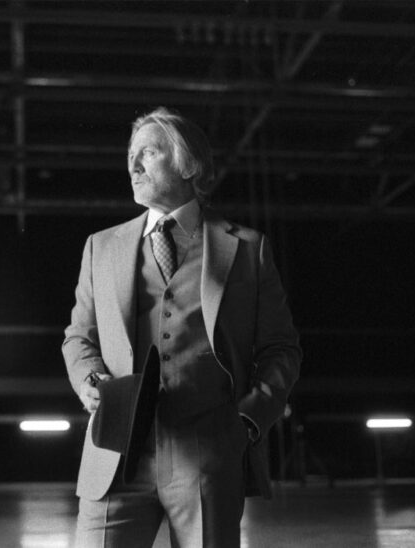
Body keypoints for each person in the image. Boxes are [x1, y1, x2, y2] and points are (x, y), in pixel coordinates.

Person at [62, 107, 302, 548]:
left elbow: (281, 349)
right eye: (131, 156)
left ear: (189, 165)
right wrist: (88, 379)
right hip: (113, 453)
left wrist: (249, 421)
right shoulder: (101, 247)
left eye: (148, 153)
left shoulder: (248, 249)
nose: (133, 166)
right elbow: (79, 337)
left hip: (208, 456)